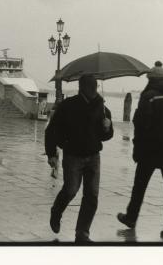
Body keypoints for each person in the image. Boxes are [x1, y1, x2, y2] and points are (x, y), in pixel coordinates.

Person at [117, 61, 163, 241]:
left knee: (140, 185)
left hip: (149, 150)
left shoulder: (149, 96)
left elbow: (140, 124)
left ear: (152, 79)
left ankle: (131, 218)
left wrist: (138, 146)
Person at [45, 74, 114, 242]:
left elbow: (105, 136)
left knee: (92, 195)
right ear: (82, 87)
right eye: (90, 87)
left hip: (93, 157)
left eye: (95, 86)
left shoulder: (102, 108)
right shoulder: (68, 106)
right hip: (73, 156)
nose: (93, 90)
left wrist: (108, 128)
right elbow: (51, 130)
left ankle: (82, 232)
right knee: (71, 190)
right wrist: (51, 153)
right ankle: (56, 210)